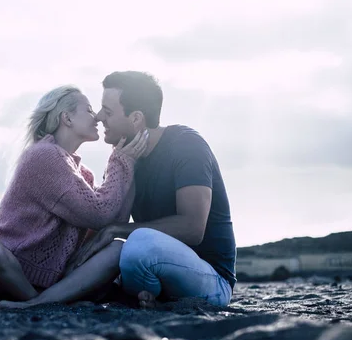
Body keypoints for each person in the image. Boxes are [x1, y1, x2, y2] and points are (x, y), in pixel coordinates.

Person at [0, 85, 149, 308]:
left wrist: (131, 167)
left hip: (53, 279)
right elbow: (99, 215)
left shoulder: (82, 172)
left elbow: (112, 220)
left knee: (118, 248)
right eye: (88, 110)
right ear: (67, 118)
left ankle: (39, 301)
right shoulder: (44, 155)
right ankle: (37, 303)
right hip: (10, 270)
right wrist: (119, 162)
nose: (97, 117)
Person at [74, 71, 237, 309]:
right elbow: (108, 219)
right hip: (153, 269)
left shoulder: (186, 145)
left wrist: (115, 231)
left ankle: (141, 297)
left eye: (107, 111)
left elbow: (193, 228)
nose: (98, 117)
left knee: (138, 244)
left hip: (211, 280)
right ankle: (151, 301)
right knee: (110, 254)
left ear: (136, 118)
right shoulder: (125, 157)